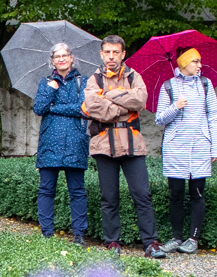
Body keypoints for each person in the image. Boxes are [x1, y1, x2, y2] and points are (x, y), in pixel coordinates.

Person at [82, 36, 165, 257]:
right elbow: (94, 107)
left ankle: (151, 243)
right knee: (109, 197)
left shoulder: (134, 76)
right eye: (107, 52)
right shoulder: (93, 80)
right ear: (101, 54)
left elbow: (140, 100)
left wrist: (108, 96)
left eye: (115, 52)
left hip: (133, 144)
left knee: (142, 194)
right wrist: (125, 105)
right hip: (103, 144)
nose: (111, 56)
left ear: (123, 54)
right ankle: (112, 242)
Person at [155, 47, 217, 253]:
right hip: (175, 148)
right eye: (196, 61)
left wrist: (215, 148)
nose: (200, 65)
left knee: (197, 193)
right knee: (175, 194)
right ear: (184, 63)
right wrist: (175, 106)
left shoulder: (205, 84)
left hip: (200, 146)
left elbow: (214, 116)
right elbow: (160, 119)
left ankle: (193, 239)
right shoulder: (168, 86)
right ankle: (176, 237)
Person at [31, 43, 89, 239]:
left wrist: (54, 108)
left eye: (65, 55)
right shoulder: (46, 82)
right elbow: (39, 108)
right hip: (50, 142)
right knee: (46, 189)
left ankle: (79, 233)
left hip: (75, 141)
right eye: (57, 56)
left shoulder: (83, 81)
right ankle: (47, 232)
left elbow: (83, 108)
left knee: (77, 190)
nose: (61, 59)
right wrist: (51, 90)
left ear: (72, 58)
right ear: (52, 61)